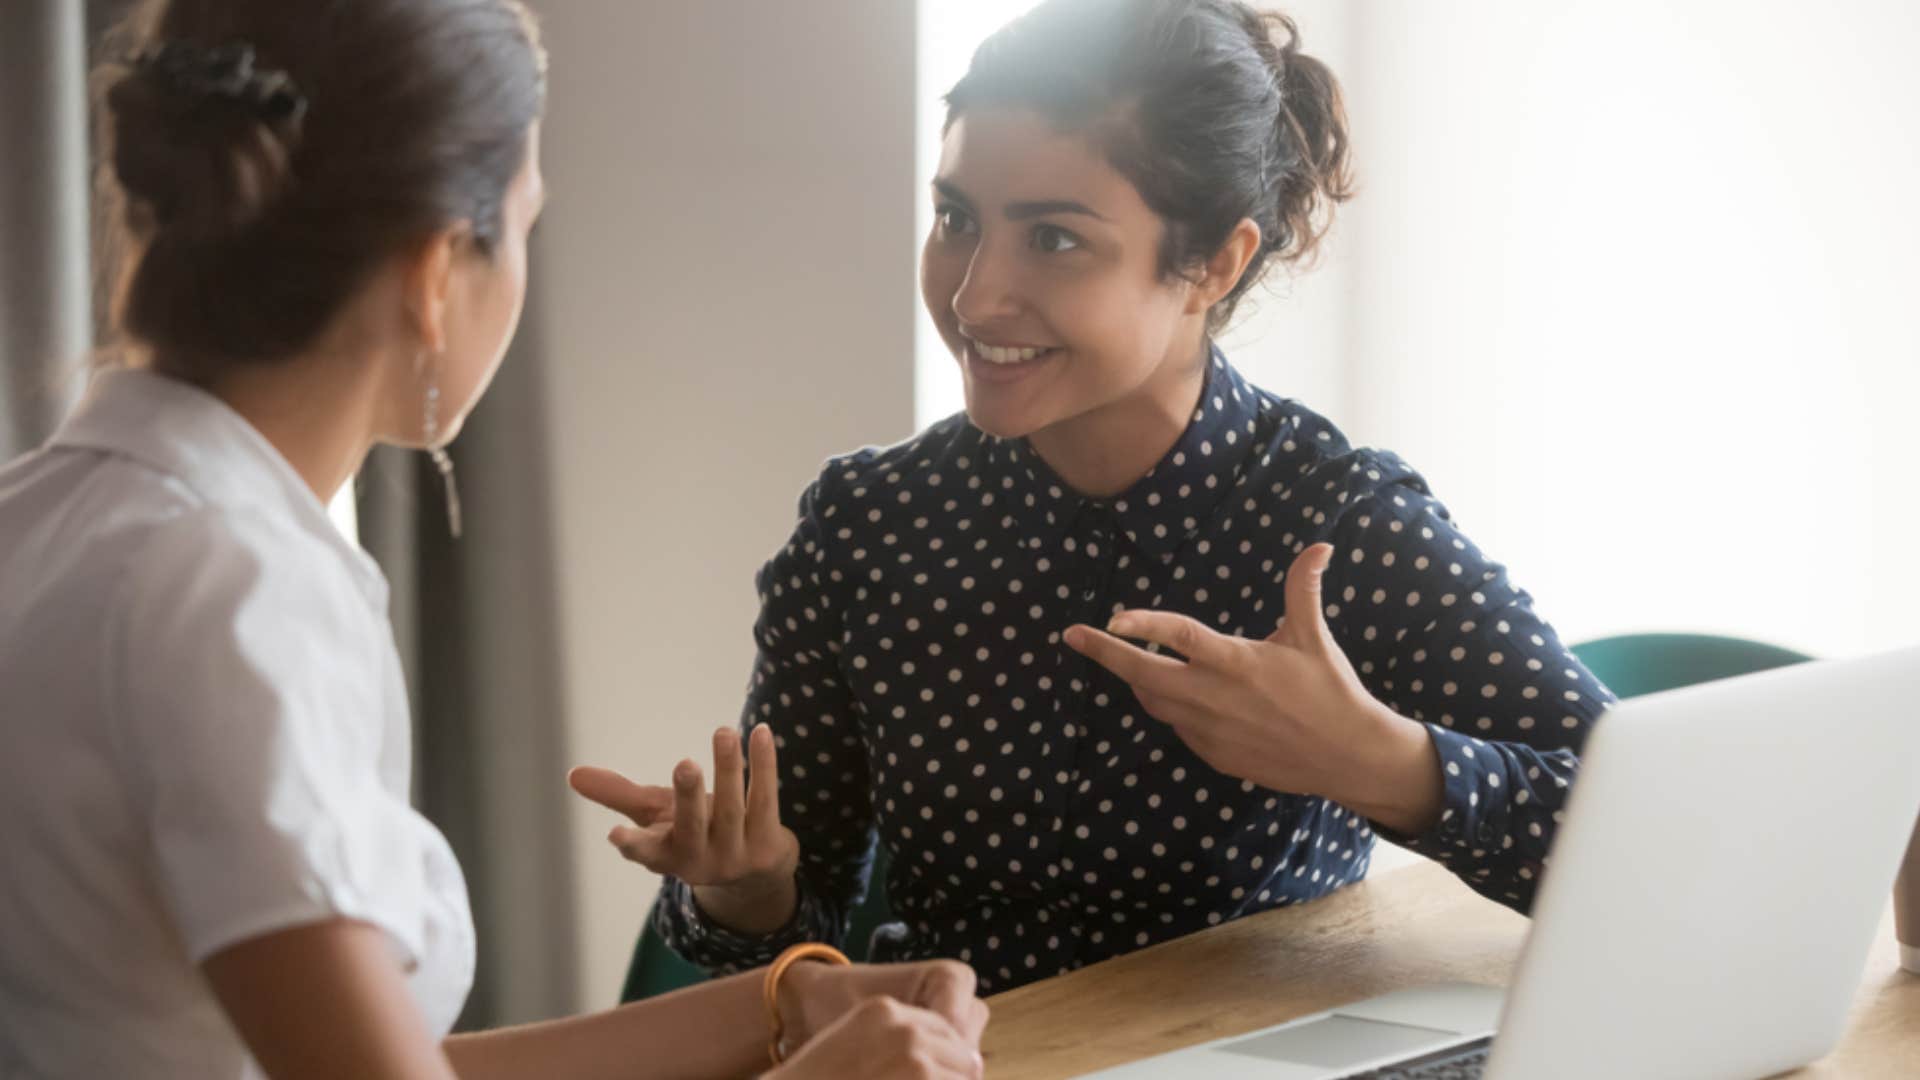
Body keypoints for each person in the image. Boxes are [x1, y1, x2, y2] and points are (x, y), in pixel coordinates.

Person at [0, 2, 987, 1077]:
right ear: (433, 274)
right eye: (522, 224)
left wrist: (786, 1007)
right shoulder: (234, 596)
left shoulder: (47, 517)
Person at [571, 0, 1615, 996]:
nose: (975, 296)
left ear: (1214, 261)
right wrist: (749, 895)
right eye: (956, 218)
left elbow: (1643, 843)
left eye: (1054, 238)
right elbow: (795, 954)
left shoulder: (1338, 526)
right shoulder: (869, 529)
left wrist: (1384, 765)